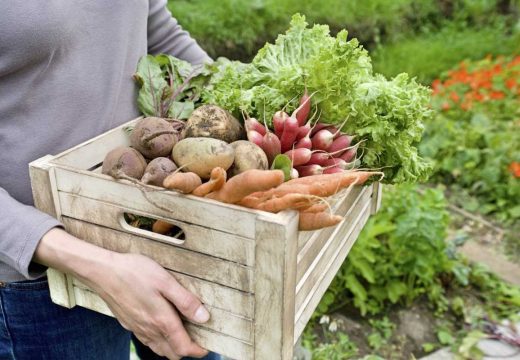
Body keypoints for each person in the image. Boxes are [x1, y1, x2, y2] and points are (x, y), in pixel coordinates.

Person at [0, 1, 220, 359]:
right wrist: (98, 266)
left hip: (158, 222)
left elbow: (153, 25)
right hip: (44, 281)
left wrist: (243, 101)